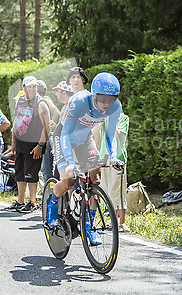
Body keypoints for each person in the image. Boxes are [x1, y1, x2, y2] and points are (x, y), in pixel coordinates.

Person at [46, 72, 124, 246]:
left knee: (94, 180)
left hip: (84, 139)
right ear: (94, 94)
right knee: (69, 181)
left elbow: (110, 135)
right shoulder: (79, 102)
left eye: (110, 99)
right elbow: (65, 133)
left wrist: (113, 157)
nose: (106, 104)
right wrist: (70, 162)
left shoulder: (114, 107)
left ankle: (88, 225)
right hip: (64, 138)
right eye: (102, 99)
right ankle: (53, 205)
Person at [6, 76, 50, 213]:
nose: (32, 89)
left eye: (34, 86)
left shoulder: (41, 103)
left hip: (34, 146)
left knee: (31, 175)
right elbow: (16, 122)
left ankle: (32, 202)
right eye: (29, 86)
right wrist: (13, 143)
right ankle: (20, 201)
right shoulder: (20, 101)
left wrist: (40, 145)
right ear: (23, 87)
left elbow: (46, 127)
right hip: (20, 144)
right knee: (19, 173)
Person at [94, 112, 130, 232]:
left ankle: (122, 222)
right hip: (105, 156)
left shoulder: (124, 119)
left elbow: (117, 134)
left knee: (118, 190)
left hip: (118, 159)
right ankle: (113, 220)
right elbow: (97, 133)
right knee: (108, 190)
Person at [37, 79, 60, 183]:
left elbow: (57, 113)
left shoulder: (45, 100)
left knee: (47, 168)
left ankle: (50, 194)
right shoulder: (41, 100)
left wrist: (50, 129)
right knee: (45, 168)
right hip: (45, 136)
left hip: (48, 137)